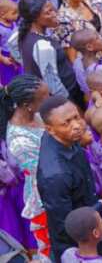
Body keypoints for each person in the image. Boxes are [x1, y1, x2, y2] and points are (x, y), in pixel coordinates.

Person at [36, 96, 102, 261]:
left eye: (76, 117)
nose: (76, 126)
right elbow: (66, 225)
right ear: (50, 129)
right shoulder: (56, 175)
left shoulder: (66, 137)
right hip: (80, 245)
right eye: (66, 123)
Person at [2, 75, 50, 257]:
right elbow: (41, 172)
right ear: (27, 104)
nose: (49, 99)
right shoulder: (19, 141)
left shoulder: (36, 115)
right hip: (39, 194)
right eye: (44, 97)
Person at [17, 0, 81, 105]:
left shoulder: (24, 33)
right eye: (48, 12)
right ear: (34, 18)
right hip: (68, 96)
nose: (54, 14)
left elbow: (13, 46)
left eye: (53, 9)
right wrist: (69, 105)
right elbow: (53, 85)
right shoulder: (43, 47)